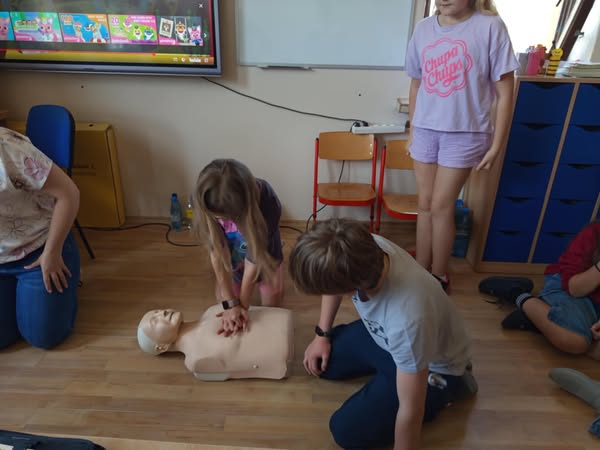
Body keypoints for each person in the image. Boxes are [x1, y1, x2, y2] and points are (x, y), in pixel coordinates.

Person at [288, 218, 476, 450]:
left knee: (346, 431)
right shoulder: (360, 245)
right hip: (389, 338)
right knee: (323, 363)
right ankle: (385, 381)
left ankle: (450, 390)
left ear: (350, 288)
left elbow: (411, 409)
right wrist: (321, 335)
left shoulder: (407, 319)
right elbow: (331, 281)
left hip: (435, 366)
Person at [405, 0, 519, 291]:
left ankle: (439, 276)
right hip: (425, 129)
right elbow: (416, 84)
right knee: (424, 204)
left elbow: (505, 92)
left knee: (442, 206)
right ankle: (421, 272)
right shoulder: (423, 29)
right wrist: (413, 130)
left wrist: (496, 144)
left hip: (465, 132)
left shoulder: (490, 26)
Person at [0, 127, 80, 349]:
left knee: (43, 337)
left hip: (39, 249)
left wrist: (52, 253)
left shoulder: (7, 146)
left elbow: (69, 194)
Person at [193, 158, 284, 336]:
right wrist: (230, 304)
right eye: (219, 218)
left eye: (228, 218)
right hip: (232, 251)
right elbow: (217, 253)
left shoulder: (268, 202)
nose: (224, 221)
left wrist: (243, 304)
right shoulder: (205, 197)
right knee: (223, 298)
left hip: (263, 254)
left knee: (272, 297)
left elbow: (254, 258)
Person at [501, 221, 600, 360]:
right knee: (576, 343)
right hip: (573, 290)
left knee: (588, 345)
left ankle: (541, 322)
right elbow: (575, 289)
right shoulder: (593, 232)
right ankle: (517, 294)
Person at [137, 304, 294, 380]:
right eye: (155, 321)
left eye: (157, 311)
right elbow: (239, 373)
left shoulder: (212, 310)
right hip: (286, 355)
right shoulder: (195, 360)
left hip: (283, 319)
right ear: (161, 347)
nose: (162, 313)